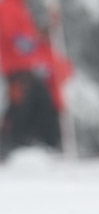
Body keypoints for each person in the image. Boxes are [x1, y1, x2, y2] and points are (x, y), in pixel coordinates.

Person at [0, 0, 66, 155]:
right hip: (18, 68)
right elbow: (17, 39)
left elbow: (29, 39)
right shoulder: (9, 7)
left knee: (36, 105)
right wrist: (35, 44)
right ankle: (10, 147)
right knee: (21, 108)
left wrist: (47, 30)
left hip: (27, 68)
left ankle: (35, 145)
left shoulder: (20, 7)